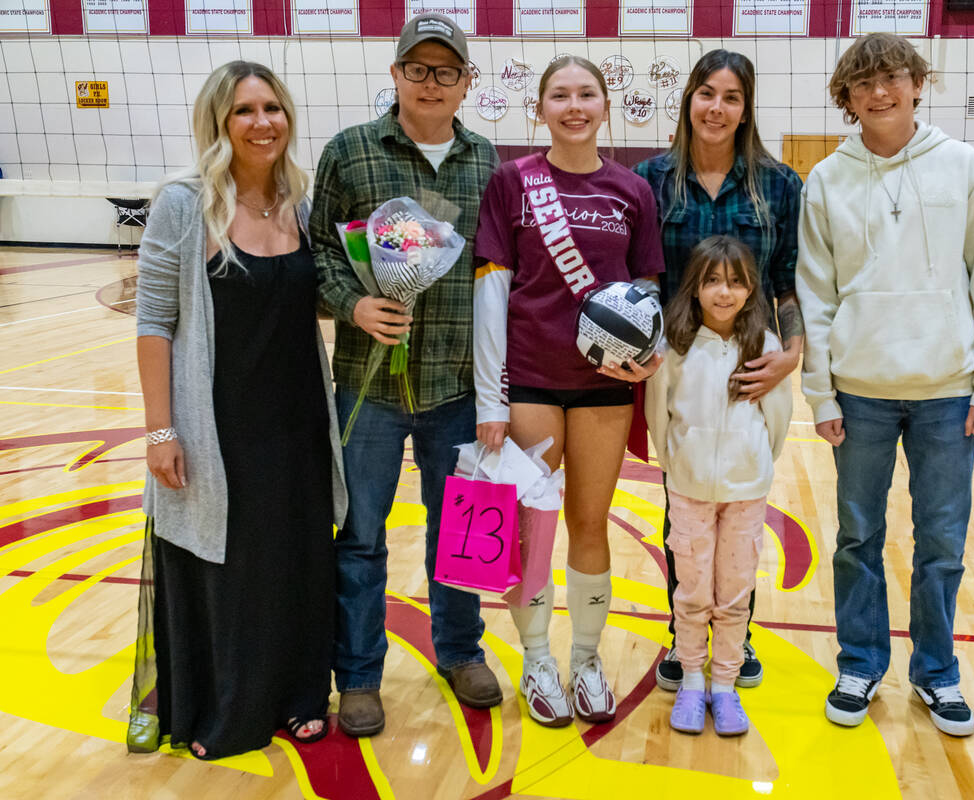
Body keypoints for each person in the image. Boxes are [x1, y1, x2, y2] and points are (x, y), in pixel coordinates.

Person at [797, 32, 974, 737]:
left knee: (942, 543)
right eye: (863, 83)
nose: (880, 92)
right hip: (859, 392)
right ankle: (860, 662)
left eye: (892, 77)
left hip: (948, 390)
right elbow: (815, 293)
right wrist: (822, 393)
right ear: (847, 97)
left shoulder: (963, 166)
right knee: (857, 538)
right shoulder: (827, 180)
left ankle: (937, 671)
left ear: (918, 83)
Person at [130, 60, 347, 760]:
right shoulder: (183, 204)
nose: (264, 123)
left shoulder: (301, 204)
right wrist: (161, 430)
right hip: (218, 423)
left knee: (299, 562)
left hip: (300, 422)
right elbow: (154, 321)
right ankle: (229, 710)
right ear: (220, 123)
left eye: (273, 109)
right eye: (246, 111)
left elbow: (311, 303)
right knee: (231, 570)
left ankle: (301, 696)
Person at [309, 13, 500, 737]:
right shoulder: (349, 152)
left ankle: (460, 652)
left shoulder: (487, 164)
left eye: (444, 71)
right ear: (394, 75)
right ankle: (358, 675)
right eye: (416, 69)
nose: (430, 82)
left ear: (465, 84)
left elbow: (499, 275)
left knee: (461, 530)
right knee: (359, 535)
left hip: (457, 386)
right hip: (369, 386)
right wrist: (352, 304)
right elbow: (318, 252)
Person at [473, 55, 666, 727]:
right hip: (529, 377)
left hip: (604, 386)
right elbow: (492, 289)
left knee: (589, 523)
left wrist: (650, 354)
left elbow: (647, 289)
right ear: (541, 108)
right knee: (531, 528)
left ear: (605, 106)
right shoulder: (512, 182)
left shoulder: (631, 191)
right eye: (560, 94)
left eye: (587, 93)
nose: (574, 105)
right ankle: (536, 659)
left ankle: (585, 660)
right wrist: (490, 400)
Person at [633, 49, 803, 691]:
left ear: (746, 108)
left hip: (750, 366)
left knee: (738, 508)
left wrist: (790, 353)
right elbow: (642, 276)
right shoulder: (650, 179)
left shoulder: (779, 185)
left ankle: (738, 635)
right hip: (677, 363)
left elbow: (788, 284)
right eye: (707, 93)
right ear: (689, 100)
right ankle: (686, 642)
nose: (717, 108)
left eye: (731, 97)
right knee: (687, 511)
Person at [645, 235, 791, 736]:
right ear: (696, 287)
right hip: (687, 490)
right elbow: (658, 417)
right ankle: (690, 680)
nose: (723, 293)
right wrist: (677, 465)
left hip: (745, 492)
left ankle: (724, 687)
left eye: (735, 282)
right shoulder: (674, 346)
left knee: (734, 593)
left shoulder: (765, 347)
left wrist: (752, 464)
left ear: (751, 289)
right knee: (690, 591)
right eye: (712, 282)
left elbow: (778, 420)